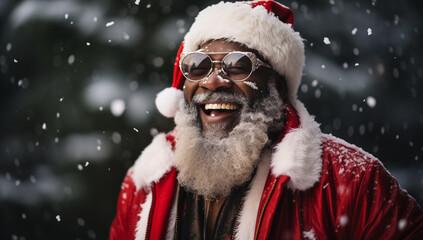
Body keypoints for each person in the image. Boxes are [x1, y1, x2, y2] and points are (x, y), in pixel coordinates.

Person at [109, 1, 423, 239]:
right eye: (198, 65)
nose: (212, 82)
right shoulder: (146, 180)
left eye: (237, 65)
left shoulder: (351, 180)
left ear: (278, 86)